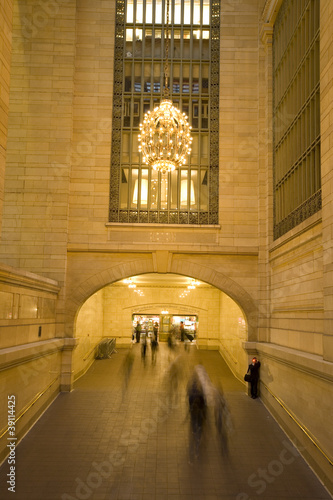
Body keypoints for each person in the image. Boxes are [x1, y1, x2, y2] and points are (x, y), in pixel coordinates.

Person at [187, 371, 207, 463]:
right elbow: (204, 404)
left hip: (194, 417)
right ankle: (197, 445)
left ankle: (195, 437)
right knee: (199, 429)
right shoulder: (199, 394)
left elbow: (190, 404)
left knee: (195, 429)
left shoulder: (191, 395)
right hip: (199, 417)